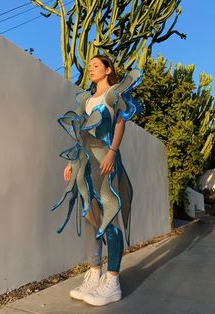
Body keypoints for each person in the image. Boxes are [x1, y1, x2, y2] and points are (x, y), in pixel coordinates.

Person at [51, 55, 143, 306]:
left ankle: (113, 282)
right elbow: (81, 132)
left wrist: (113, 151)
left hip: (105, 161)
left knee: (109, 217)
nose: (90, 69)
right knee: (90, 218)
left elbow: (121, 123)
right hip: (85, 162)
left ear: (108, 70)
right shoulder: (87, 99)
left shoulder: (114, 93)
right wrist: (71, 161)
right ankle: (95, 273)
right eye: (89, 66)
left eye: (95, 65)